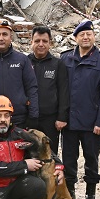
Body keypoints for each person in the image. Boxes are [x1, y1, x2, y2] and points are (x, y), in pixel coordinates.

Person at [60, 19, 100, 199]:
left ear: (94, 37)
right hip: (70, 123)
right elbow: (61, 91)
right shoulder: (65, 59)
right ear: (75, 38)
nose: (85, 37)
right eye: (82, 34)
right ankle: (70, 192)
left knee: (92, 159)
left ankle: (91, 194)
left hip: (92, 124)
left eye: (89, 34)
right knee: (68, 160)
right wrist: (61, 117)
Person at [0, 18, 39, 129]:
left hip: (19, 120)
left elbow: (31, 88)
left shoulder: (22, 60)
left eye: (5, 34)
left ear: (11, 37)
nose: (1, 38)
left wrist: (33, 116)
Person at [28, 25, 69, 154]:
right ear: (31, 42)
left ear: (50, 43)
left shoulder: (58, 64)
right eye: (37, 41)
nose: (41, 44)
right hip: (28, 118)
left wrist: (62, 117)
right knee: (29, 154)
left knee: (49, 154)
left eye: (44, 41)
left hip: (50, 120)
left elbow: (64, 91)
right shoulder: (24, 62)